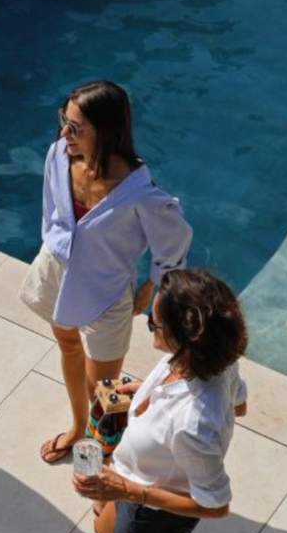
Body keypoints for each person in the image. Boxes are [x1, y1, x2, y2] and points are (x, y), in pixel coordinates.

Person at [71, 268, 249, 533]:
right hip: (132, 486)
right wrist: (140, 391)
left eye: (154, 324)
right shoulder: (211, 360)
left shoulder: (194, 422)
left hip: (153, 512)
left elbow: (215, 505)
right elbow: (239, 407)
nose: (148, 326)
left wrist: (129, 491)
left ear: (184, 337)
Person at [19, 80, 193, 464]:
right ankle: (78, 427)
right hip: (57, 273)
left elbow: (174, 239)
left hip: (106, 291)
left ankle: (97, 461)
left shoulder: (140, 195)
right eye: (64, 120)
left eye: (76, 127)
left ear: (107, 131)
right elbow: (55, 216)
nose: (65, 132)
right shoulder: (59, 156)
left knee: (106, 387)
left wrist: (153, 284)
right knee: (67, 345)